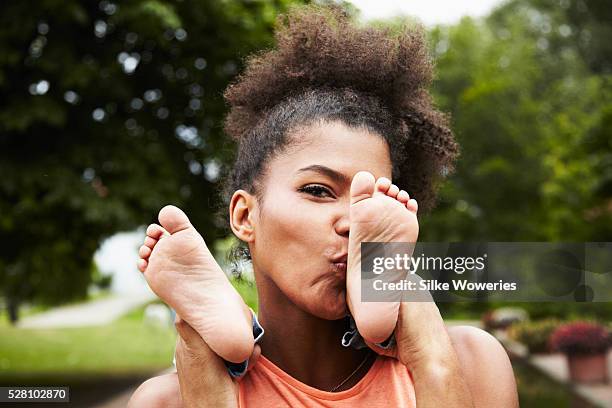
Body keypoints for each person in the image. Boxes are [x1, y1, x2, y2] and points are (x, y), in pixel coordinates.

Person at [128, 5, 518, 407]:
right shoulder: (167, 401)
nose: (352, 223)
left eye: (374, 201)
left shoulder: (471, 361)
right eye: (318, 190)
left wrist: (431, 356)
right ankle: (216, 338)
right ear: (245, 216)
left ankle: (390, 308)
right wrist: (206, 387)